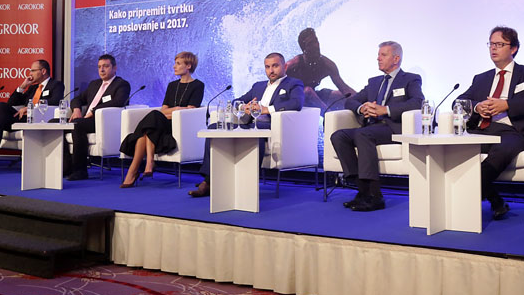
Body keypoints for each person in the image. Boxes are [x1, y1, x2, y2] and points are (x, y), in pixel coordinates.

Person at [458, 26, 524, 220]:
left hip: (512, 131)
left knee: (501, 150)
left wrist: (507, 105)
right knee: (454, 148)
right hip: (482, 130)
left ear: (513, 48)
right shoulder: (481, 78)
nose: (493, 48)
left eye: (499, 44)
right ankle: (495, 199)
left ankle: (464, 200)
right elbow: (458, 102)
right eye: (491, 44)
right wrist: (477, 107)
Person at [189, 52, 304, 197]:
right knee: (214, 127)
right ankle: (209, 180)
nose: (271, 70)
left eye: (275, 66)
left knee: (256, 132)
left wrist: (267, 109)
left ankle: (247, 186)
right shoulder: (258, 86)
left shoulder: (293, 83)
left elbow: (296, 103)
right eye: (267, 67)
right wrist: (244, 107)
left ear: (285, 66)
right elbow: (237, 101)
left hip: (270, 126)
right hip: (249, 123)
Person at [330, 41, 424, 212]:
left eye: (383, 55)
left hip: (393, 128)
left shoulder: (410, 79)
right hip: (372, 127)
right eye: (378, 55)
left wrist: (385, 110)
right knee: (339, 136)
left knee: (363, 134)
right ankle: (362, 190)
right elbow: (351, 101)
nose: (378, 58)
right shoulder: (374, 82)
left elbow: (417, 102)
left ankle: (375, 196)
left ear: (396, 59)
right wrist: (362, 108)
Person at [119, 52, 204, 188]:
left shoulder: (198, 85)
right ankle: (147, 163)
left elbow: (190, 110)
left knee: (151, 121)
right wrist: (176, 109)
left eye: (178, 63)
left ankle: (134, 170)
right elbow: (163, 110)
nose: (174, 66)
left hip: (178, 126)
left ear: (188, 66)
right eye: (175, 63)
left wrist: (173, 112)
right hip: (162, 122)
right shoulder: (172, 85)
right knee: (151, 123)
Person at [0, 59, 64, 175]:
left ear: (43, 71)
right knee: (1, 106)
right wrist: (23, 86)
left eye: (33, 70)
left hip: (39, 119)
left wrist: (31, 107)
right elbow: (12, 103)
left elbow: (54, 102)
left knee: (0, 120)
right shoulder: (33, 88)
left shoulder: (56, 85)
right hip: (24, 119)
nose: (30, 73)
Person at [67, 54, 131, 181]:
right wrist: (77, 109)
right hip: (84, 119)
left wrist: (94, 111)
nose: (101, 70)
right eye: (99, 67)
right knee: (55, 123)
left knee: (77, 125)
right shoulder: (94, 84)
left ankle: (80, 171)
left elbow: (119, 101)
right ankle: (66, 167)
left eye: (105, 66)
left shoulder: (121, 84)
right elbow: (77, 99)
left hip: (103, 122)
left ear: (114, 68)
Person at [285, 28, 356, 113]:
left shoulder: (327, 65)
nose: (316, 46)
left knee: (341, 96)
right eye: (310, 44)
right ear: (304, 49)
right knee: (308, 91)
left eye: (316, 41)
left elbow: (344, 88)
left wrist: (363, 100)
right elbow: (275, 83)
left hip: (313, 97)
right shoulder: (293, 65)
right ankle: (329, 116)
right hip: (293, 99)